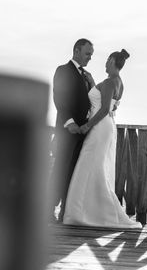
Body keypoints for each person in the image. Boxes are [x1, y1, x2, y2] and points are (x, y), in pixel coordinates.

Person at [62, 49, 142, 229]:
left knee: (89, 166)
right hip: (107, 126)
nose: (105, 63)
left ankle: (83, 212)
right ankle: (88, 210)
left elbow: (104, 109)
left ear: (113, 61)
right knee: (96, 168)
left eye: (107, 60)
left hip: (99, 127)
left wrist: (86, 126)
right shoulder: (119, 82)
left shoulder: (108, 82)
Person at [49, 38, 95, 223]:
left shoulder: (86, 75)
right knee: (60, 169)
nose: (90, 58)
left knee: (74, 171)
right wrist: (70, 123)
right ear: (76, 51)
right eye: (87, 53)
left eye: (91, 54)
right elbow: (59, 98)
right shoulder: (63, 70)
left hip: (83, 132)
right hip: (68, 130)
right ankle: (48, 209)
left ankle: (65, 212)